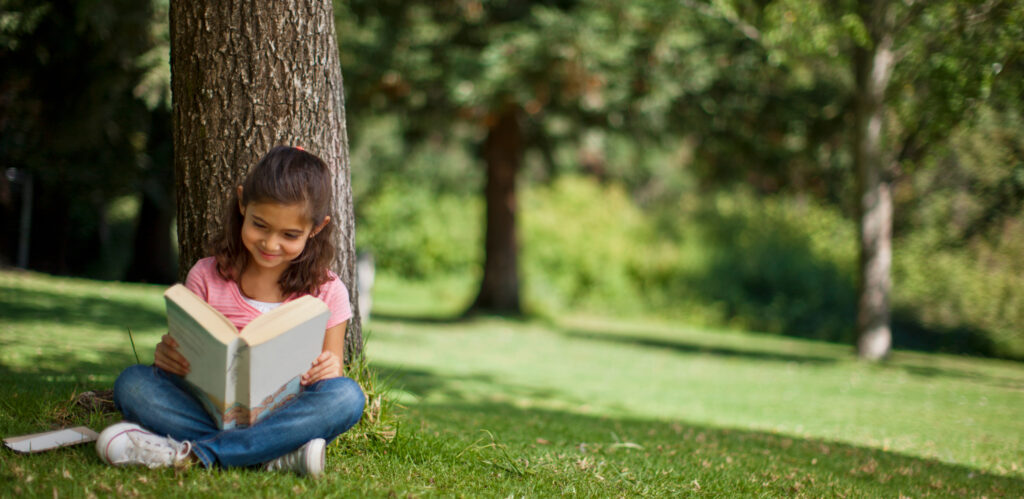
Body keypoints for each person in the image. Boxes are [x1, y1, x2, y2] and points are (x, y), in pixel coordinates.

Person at [96, 146, 365, 477]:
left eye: (290, 235)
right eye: (260, 225)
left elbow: (332, 371)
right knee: (133, 384)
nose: (270, 243)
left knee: (347, 397)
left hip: (286, 414)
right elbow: (185, 363)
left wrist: (329, 367)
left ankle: (200, 453)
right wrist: (168, 359)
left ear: (317, 228)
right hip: (209, 412)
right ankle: (272, 455)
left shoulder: (328, 290)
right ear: (242, 204)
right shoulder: (206, 277)